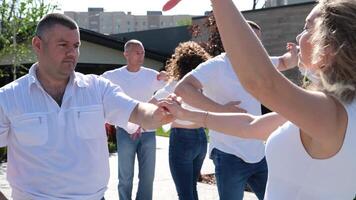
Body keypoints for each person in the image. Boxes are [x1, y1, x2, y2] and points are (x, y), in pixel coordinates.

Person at [0, 13, 173, 200]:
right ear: (38, 45)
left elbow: (137, 111)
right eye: (63, 45)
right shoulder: (9, 97)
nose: (72, 53)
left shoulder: (97, 88)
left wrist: (158, 113)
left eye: (76, 46)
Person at [208, 0, 356, 198]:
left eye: (307, 27)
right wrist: (186, 114)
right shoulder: (333, 109)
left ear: (329, 46)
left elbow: (261, 82)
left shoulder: (330, 113)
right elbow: (251, 127)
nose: (298, 36)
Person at [174, 21, 297, 200]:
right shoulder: (216, 66)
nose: (257, 46)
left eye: (258, 41)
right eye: (251, 39)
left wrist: (293, 53)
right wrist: (220, 110)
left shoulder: (258, 63)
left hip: (258, 152)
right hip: (228, 154)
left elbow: (286, 62)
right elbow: (183, 89)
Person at [101, 39, 166, 200]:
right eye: (137, 52)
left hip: (148, 132)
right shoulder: (112, 76)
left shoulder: (152, 76)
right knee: (125, 177)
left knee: (147, 177)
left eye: (142, 52)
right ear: (126, 54)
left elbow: (171, 88)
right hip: (124, 132)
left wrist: (167, 76)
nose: (141, 55)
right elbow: (97, 90)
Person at [152, 41, 211, 200]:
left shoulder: (176, 84)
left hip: (182, 138)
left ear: (178, 62)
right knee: (192, 188)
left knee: (185, 193)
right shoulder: (205, 85)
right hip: (201, 137)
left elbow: (152, 102)